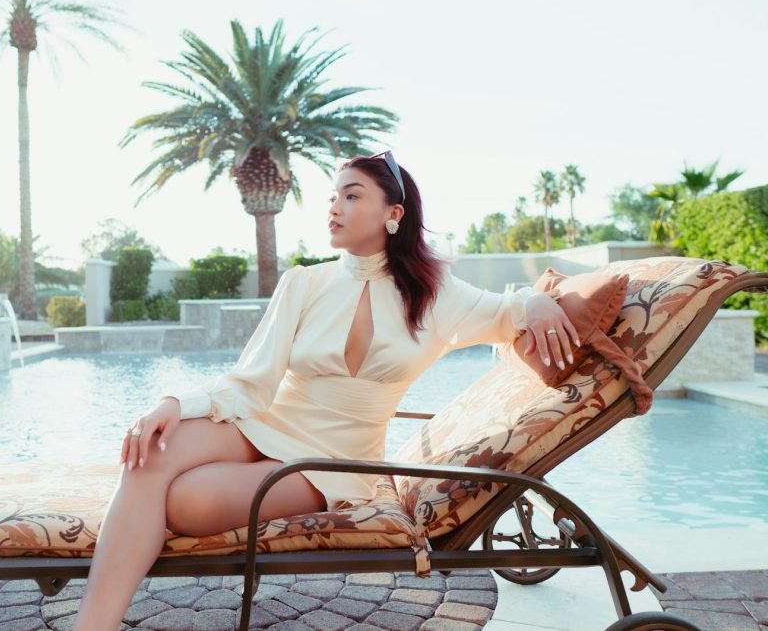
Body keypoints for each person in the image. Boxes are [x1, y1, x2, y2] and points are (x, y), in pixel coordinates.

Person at [73, 151, 579, 629]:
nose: (335, 206)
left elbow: (506, 310)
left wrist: (535, 304)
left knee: (184, 502)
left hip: (333, 460)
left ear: (392, 213)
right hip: (262, 423)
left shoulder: (436, 295)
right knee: (148, 456)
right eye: (333, 196)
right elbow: (250, 384)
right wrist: (173, 404)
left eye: (353, 195)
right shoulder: (303, 283)